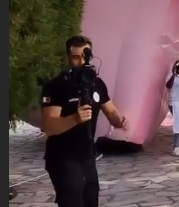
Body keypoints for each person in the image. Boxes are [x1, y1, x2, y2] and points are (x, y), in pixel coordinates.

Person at [40, 36, 128, 207]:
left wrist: (120, 122)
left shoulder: (96, 84)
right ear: (67, 57)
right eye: (75, 57)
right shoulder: (56, 86)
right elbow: (49, 126)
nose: (81, 62)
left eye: (85, 57)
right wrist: (75, 118)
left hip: (88, 158)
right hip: (63, 159)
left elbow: (111, 112)